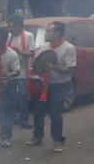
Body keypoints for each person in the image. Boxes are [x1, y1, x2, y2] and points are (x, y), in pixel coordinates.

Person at [26, 21, 76, 153]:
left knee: (55, 114)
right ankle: (37, 136)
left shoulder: (68, 48)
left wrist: (53, 67)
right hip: (44, 84)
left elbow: (70, 69)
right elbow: (38, 66)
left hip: (60, 85)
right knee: (37, 113)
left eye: (49, 31)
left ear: (57, 33)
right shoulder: (43, 47)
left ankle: (58, 140)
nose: (46, 33)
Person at [0, 28, 20, 147]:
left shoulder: (12, 54)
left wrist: (9, 75)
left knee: (5, 114)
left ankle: (6, 137)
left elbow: (16, 70)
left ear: (5, 39)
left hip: (6, 88)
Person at [6, 14, 35, 128]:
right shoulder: (8, 36)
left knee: (22, 96)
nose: (9, 29)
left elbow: (32, 53)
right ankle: (14, 118)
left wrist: (19, 51)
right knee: (11, 97)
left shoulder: (28, 36)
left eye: (11, 26)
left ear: (18, 26)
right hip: (10, 72)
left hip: (22, 72)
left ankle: (23, 119)